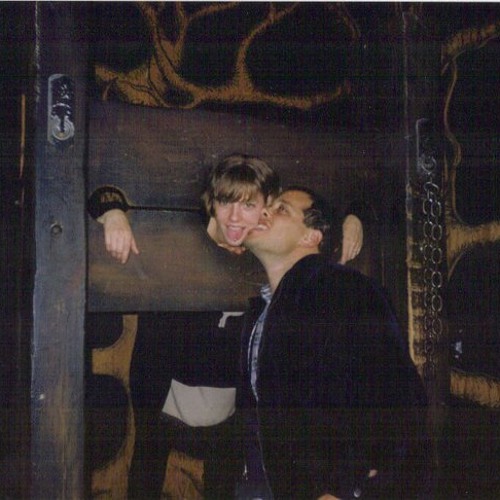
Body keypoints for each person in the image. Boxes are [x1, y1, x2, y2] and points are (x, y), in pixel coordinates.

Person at [88, 155, 364, 498]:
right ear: (211, 202)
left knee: (225, 479)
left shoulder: (271, 250)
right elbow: (100, 188)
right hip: (165, 391)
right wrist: (113, 214)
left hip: (229, 403)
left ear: (266, 208)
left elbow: (332, 216)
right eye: (226, 203)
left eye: (249, 205)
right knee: (146, 469)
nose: (235, 218)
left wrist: (352, 218)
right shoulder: (176, 239)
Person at [236, 187, 430, 499]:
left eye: (281, 209)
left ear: (311, 236)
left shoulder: (343, 288)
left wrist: (342, 486)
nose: (263, 212)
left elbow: (394, 394)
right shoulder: (261, 314)